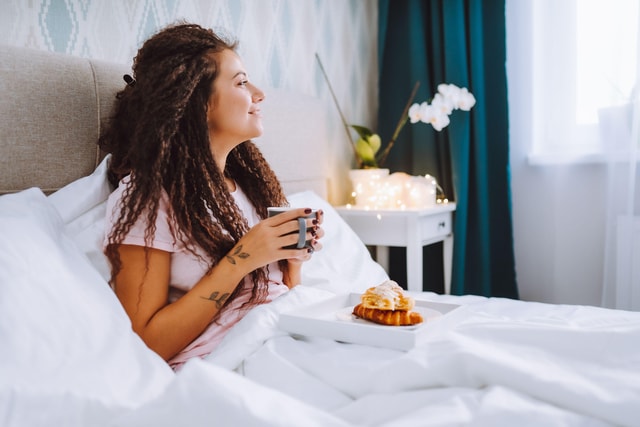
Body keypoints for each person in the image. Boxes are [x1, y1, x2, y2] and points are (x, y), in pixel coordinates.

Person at [99, 22, 324, 370]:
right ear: (198, 102)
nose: (259, 93)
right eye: (241, 82)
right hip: (227, 362)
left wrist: (291, 261)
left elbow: (271, 297)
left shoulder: (248, 186)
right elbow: (146, 343)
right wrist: (242, 258)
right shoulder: (148, 199)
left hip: (283, 337)